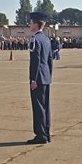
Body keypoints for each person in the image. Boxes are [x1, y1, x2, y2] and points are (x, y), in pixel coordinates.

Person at [27, 12, 53, 144]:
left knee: (38, 107)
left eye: (31, 22)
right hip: (46, 77)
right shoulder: (46, 39)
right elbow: (49, 61)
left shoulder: (35, 39)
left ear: (36, 25)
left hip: (38, 78)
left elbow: (35, 61)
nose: (29, 25)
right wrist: (49, 77)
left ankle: (40, 135)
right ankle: (46, 133)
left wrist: (33, 79)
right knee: (45, 107)